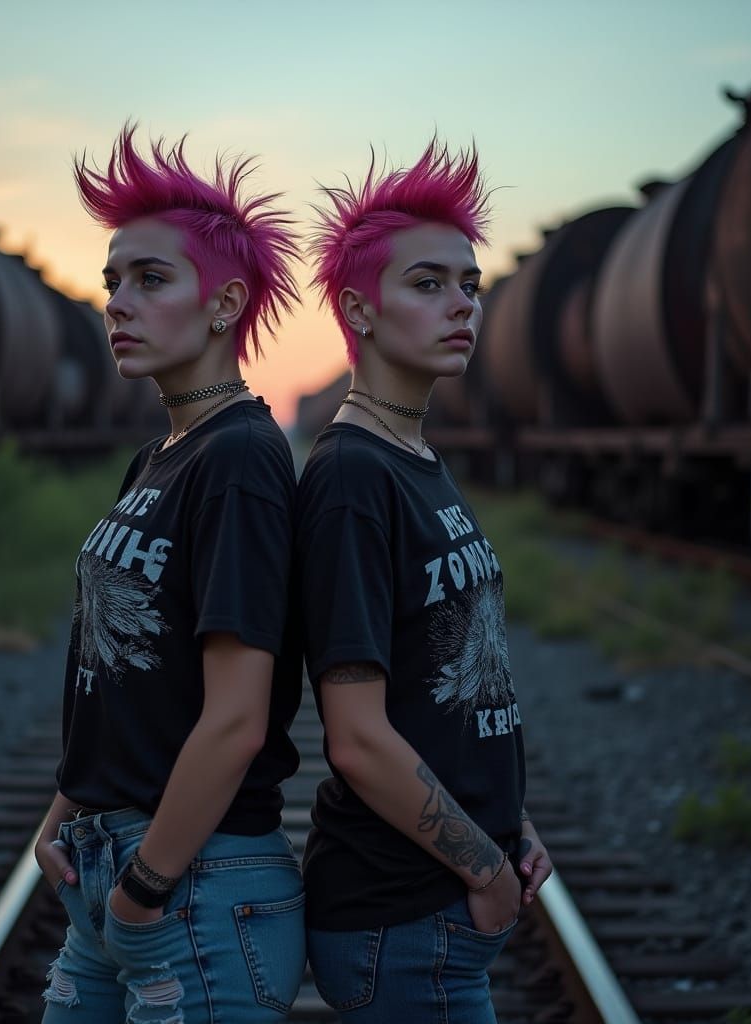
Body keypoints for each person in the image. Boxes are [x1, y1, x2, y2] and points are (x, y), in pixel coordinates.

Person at [35, 123, 305, 1024]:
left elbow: (236, 716)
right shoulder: (163, 456)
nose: (116, 301)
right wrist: (61, 813)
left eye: (150, 279)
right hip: (117, 871)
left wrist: (144, 887)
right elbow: (123, 664)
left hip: (196, 885)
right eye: (112, 279)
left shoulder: (240, 459)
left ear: (225, 304)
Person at [296, 139, 553, 1024]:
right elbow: (358, 737)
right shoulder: (351, 479)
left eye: (470, 287)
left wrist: (507, 822)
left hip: (433, 896)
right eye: (428, 284)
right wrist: (484, 871)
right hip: (398, 917)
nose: (462, 308)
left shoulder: (417, 461)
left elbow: (448, 683)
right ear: (358, 311)